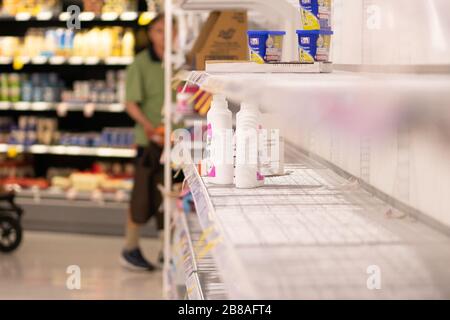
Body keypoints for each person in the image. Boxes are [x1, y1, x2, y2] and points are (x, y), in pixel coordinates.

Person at [121, 13, 174, 271]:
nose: (165, 35)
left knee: (170, 197)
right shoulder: (140, 63)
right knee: (142, 198)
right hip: (148, 142)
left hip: (176, 143)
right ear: (151, 34)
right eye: (159, 30)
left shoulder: (180, 63)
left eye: (170, 30)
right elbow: (130, 103)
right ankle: (130, 249)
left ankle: (167, 250)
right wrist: (149, 127)